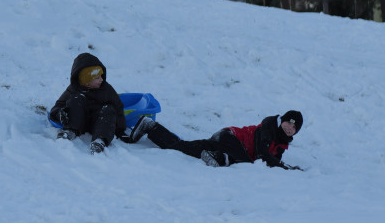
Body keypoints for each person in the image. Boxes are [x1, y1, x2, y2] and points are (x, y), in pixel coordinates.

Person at [127, 110, 304, 169]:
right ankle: (221, 158)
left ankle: (150, 126)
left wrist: (282, 166)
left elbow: (273, 162)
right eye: (289, 122)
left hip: (225, 140)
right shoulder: (268, 128)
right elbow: (261, 154)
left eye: (294, 127)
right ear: (283, 121)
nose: (290, 127)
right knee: (247, 163)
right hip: (230, 138)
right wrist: (286, 168)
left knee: (182, 147)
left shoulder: (282, 143)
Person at [49, 53, 127, 154]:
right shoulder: (73, 89)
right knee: (75, 99)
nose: (102, 79)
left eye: (101, 76)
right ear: (86, 81)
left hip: (98, 123)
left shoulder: (106, 89)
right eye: (97, 77)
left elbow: (118, 108)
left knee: (109, 109)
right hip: (79, 121)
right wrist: (60, 114)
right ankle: (70, 131)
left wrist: (120, 129)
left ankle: (100, 140)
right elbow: (58, 106)